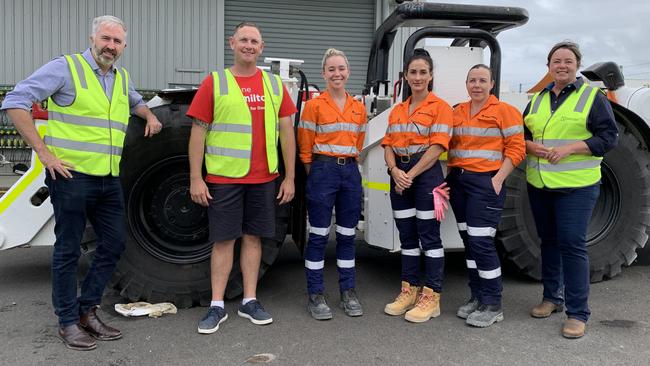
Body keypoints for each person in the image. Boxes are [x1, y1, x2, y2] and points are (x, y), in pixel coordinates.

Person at [1, 15, 162, 350]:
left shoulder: (120, 78)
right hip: (71, 178)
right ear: (92, 38)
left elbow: (133, 101)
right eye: (106, 39)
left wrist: (148, 115)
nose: (110, 46)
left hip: (107, 178)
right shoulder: (66, 68)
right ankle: (67, 321)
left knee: (114, 244)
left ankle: (87, 309)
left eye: (117, 42)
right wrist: (45, 154)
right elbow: (15, 101)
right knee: (68, 250)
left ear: (124, 46)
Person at [187, 22, 297, 334]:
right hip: (224, 179)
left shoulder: (275, 85)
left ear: (261, 48)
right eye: (244, 40)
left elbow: (286, 132)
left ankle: (250, 300)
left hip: (264, 179)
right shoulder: (215, 82)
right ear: (232, 43)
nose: (249, 45)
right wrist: (196, 177)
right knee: (223, 241)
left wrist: (289, 178)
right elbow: (198, 131)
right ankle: (217, 305)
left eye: (255, 41)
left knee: (254, 238)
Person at [524, 41, 618, 338]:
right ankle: (552, 298)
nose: (561, 66)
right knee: (548, 241)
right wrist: (531, 146)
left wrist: (571, 149)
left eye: (567, 61)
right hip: (540, 183)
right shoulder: (537, 99)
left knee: (572, 245)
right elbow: (521, 135)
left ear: (577, 65)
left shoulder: (592, 97)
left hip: (577, 187)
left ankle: (578, 313)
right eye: (556, 61)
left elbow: (609, 137)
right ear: (548, 66)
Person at [447, 64, 525, 327]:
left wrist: (498, 179)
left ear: (492, 84)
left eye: (482, 80)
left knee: (481, 243)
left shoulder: (505, 112)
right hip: (459, 183)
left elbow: (517, 149)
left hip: (486, 183)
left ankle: (493, 304)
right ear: (466, 84)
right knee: (469, 241)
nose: (477, 85)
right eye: (472, 80)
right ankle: (477, 296)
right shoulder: (457, 111)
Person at [382, 49, 453, 323]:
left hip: (426, 176)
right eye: (413, 72)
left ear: (431, 75)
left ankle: (432, 297)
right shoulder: (398, 109)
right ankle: (409, 291)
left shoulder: (441, 107)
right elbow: (388, 144)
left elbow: (437, 147)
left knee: (429, 237)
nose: (418, 77)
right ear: (406, 76)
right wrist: (394, 170)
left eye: (423, 72)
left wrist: (409, 174)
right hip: (400, 175)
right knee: (407, 237)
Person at [297, 48, 367, 320]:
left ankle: (348, 292)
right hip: (322, 170)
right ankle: (315, 294)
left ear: (348, 72)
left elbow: (358, 142)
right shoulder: (313, 106)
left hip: (349, 171)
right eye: (331, 69)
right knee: (318, 235)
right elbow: (305, 148)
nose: (337, 74)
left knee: (348, 236)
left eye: (341, 69)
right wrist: (316, 174)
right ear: (323, 74)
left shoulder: (358, 108)